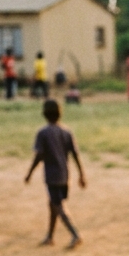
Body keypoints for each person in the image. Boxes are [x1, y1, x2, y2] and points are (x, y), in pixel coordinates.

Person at [24, 98, 86, 248]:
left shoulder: (43, 133)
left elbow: (39, 156)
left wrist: (29, 173)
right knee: (53, 204)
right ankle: (50, 236)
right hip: (65, 175)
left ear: (44, 114)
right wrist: (81, 174)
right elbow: (75, 154)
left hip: (52, 176)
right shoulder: (66, 132)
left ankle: (75, 234)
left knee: (58, 206)